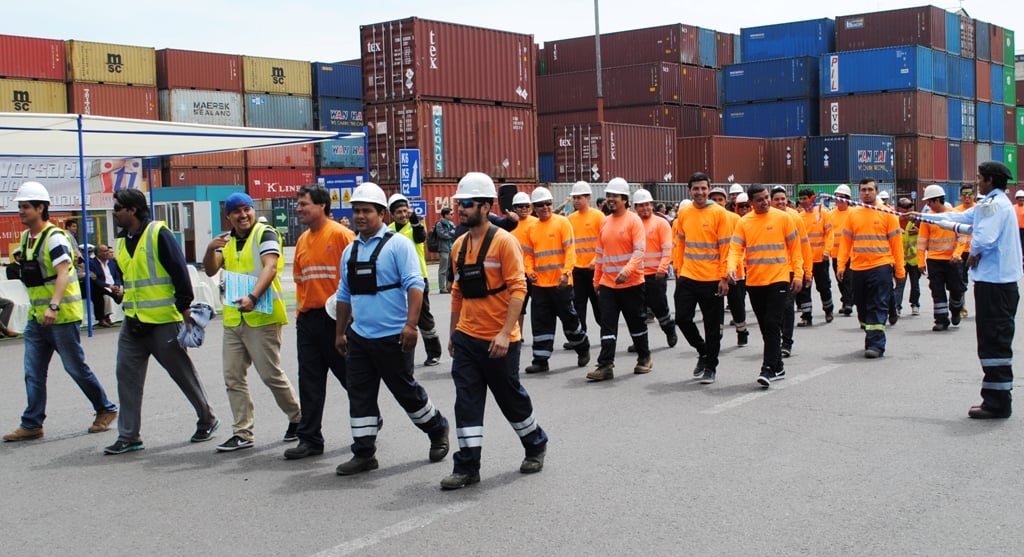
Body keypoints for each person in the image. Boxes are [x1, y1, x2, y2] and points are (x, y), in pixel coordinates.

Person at [333, 183, 450, 475]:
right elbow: (344, 294)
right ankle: (364, 453)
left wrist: (411, 326)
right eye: (356, 210)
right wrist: (339, 332)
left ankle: (437, 428)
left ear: (382, 214)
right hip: (360, 337)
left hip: (394, 336)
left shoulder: (399, 245)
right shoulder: (350, 251)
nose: (360, 216)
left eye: (366, 211)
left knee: (405, 393)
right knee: (359, 394)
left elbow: (416, 284)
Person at [441, 172, 547, 490]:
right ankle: (467, 466)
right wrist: (452, 334)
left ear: (486, 206)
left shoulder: (505, 242)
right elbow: (457, 293)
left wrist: (504, 333)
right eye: (460, 203)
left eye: (468, 203)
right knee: (467, 401)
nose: (461, 208)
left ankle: (535, 443)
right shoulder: (459, 246)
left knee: (509, 398)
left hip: (500, 340)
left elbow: (518, 289)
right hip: (468, 338)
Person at [104, 188, 218, 454]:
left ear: (132, 209)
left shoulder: (158, 233)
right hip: (133, 322)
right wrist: (120, 289)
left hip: (163, 321)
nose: (115, 212)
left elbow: (179, 271)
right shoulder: (121, 241)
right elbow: (126, 275)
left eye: (119, 207)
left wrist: (185, 308)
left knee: (182, 374)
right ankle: (129, 436)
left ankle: (207, 418)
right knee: (126, 377)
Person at [2, 182, 118, 442]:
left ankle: (106, 408)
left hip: (61, 315)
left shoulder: (54, 237)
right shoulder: (26, 238)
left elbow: (64, 272)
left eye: (25, 207)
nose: (20, 211)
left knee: (75, 367)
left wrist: (54, 305)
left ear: (40, 208)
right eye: (20, 206)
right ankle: (32, 422)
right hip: (37, 317)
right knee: (33, 371)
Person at [917, 161, 1021, 419]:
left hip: (995, 284)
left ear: (989, 180)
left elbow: (983, 238)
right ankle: (996, 397)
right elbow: (960, 219)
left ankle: (997, 402)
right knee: (994, 340)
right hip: (999, 283)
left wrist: (973, 253)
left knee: (993, 342)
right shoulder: (993, 204)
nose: (976, 181)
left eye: (979, 177)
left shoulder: (992, 205)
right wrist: (921, 216)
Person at [202, 192, 301, 453]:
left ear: (253, 211)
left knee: (270, 375)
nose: (243, 215)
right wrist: (210, 249)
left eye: (247, 209)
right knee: (233, 376)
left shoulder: (265, 234)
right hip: (234, 318)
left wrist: (253, 296)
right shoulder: (228, 241)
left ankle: (298, 417)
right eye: (237, 212)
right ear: (229, 217)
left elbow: (270, 266)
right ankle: (242, 432)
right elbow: (211, 270)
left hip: (262, 315)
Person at [285, 184, 355, 460]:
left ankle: (368, 418)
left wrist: (348, 321)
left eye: (304, 204)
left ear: (322, 206)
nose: (299, 208)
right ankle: (310, 438)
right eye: (298, 204)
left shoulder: (341, 235)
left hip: (337, 319)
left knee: (350, 376)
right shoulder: (303, 240)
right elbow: (301, 281)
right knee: (310, 381)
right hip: (310, 320)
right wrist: (301, 314)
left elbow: (355, 278)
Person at [727, 184, 803, 388]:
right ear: (751, 203)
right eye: (759, 199)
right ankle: (778, 366)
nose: (765, 202)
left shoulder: (783, 218)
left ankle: (767, 368)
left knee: (771, 323)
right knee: (765, 326)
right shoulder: (744, 222)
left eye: (766, 197)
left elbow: (796, 249)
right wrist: (731, 267)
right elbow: (735, 248)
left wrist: (799, 273)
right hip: (755, 281)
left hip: (779, 278)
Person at [587, 177, 650, 381]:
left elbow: (640, 251)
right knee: (607, 325)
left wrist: (627, 270)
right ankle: (605, 365)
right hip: (608, 284)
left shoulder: (634, 221)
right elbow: (600, 254)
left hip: (631, 283)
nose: (610, 199)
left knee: (636, 323)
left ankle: (644, 357)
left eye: (614, 196)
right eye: (608, 196)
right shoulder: (605, 223)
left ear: (625, 199)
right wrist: (597, 281)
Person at [521, 187, 590, 373]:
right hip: (540, 285)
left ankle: (583, 348)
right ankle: (540, 360)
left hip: (561, 284)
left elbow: (570, 251)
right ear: (534, 207)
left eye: (548, 204)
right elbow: (528, 256)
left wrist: (566, 273)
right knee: (541, 322)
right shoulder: (532, 229)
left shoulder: (562, 223)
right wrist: (529, 271)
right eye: (541, 205)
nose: (545, 207)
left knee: (569, 320)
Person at [836, 179, 906, 359]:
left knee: (877, 304)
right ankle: (875, 330)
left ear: (876, 191)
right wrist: (841, 264)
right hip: (858, 267)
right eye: (863, 190)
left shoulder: (887, 213)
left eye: (870, 190)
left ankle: (876, 344)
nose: (866, 193)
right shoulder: (853, 215)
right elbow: (845, 242)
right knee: (862, 306)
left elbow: (896, 244)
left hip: (881, 266)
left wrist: (900, 270)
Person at [671, 174, 730, 384]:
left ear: (709, 189)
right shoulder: (684, 213)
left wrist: (724, 278)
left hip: (712, 279)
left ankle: (711, 367)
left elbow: (726, 248)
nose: (700, 193)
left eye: (704, 188)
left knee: (712, 327)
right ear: (689, 191)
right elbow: (680, 243)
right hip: (687, 276)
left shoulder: (719, 214)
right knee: (682, 319)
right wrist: (678, 269)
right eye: (696, 189)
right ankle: (703, 350)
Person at [388, 194, 443, 367]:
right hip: (397, 280)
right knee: (398, 317)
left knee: (423, 318)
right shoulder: (388, 230)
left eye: (405, 211)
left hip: (418, 278)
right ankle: (401, 353)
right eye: (399, 212)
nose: (403, 215)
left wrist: (414, 220)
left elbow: (420, 237)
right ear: (392, 214)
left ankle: (434, 353)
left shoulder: (415, 227)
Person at [632, 189, 677, 351]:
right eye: (641, 206)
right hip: (636, 275)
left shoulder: (661, 223)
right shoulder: (633, 223)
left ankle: (669, 329)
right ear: (635, 207)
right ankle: (639, 341)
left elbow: (667, 249)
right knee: (637, 312)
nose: (645, 209)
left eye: (647, 205)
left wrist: (662, 268)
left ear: (651, 205)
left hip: (655, 275)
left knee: (660, 308)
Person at [916, 185, 964, 331]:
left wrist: (957, 254)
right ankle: (941, 320)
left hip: (952, 260)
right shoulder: (928, 218)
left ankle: (956, 308)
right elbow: (922, 240)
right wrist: (920, 261)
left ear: (938, 200)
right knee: (937, 290)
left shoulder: (954, 215)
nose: (927, 204)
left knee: (956, 289)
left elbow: (963, 238)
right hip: (934, 260)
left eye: (929, 201)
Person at [771, 186, 811, 358]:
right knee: (773, 310)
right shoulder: (764, 218)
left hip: (789, 270)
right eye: (777, 199)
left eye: (783, 199)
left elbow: (804, 246)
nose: (780, 202)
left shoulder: (795, 217)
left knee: (787, 306)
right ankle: (775, 340)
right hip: (769, 271)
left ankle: (786, 342)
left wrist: (806, 272)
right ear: (771, 201)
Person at [566, 181, 604, 346]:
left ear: (588, 197)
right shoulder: (570, 220)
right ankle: (581, 339)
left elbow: (604, 241)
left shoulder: (598, 217)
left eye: (579, 197)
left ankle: (607, 335)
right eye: (574, 198)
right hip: (577, 270)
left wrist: (596, 260)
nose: (576, 201)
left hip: (594, 270)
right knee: (578, 306)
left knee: (599, 306)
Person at [713, 188, 748, 346]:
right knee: (716, 305)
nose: (717, 203)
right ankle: (717, 333)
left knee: (736, 303)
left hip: (735, 269)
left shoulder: (735, 219)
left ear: (725, 201)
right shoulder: (706, 219)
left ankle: (741, 331)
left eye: (720, 200)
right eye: (714, 200)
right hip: (713, 270)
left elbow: (741, 244)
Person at [795, 188, 835, 326]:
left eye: (805, 198)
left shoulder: (823, 213)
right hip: (805, 260)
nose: (802, 202)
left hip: (820, 259)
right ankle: (806, 316)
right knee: (805, 288)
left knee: (823, 286)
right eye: (800, 199)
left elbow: (830, 234)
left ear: (812, 198)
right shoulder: (799, 217)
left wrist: (827, 251)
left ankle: (828, 310)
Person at [509, 192, 537, 334]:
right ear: (514, 208)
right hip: (518, 271)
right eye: (520, 206)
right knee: (519, 304)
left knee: (541, 306)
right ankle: (518, 335)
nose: (524, 209)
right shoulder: (510, 225)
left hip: (535, 271)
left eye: (526, 206)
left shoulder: (536, 222)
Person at [893, 197, 922, 317]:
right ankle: (896, 307)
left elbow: (928, 233)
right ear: (899, 209)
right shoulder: (894, 221)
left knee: (915, 285)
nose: (910, 209)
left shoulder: (918, 220)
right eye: (906, 207)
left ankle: (915, 304)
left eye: (911, 206)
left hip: (914, 259)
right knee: (900, 285)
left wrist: (919, 231)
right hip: (901, 259)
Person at [830, 184, 855, 316]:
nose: (838, 200)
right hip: (835, 254)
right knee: (840, 279)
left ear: (848, 199)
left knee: (848, 279)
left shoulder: (853, 213)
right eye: (837, 197)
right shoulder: (831, 215)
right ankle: (846, 300)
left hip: (851, 253)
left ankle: (848, 303)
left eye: (842, 197)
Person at [953, 185, 977, 318]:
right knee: (960, 282)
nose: (967, 197)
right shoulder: (956, 212)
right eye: (964, 194)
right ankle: (961, 307)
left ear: (974, 195)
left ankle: (981, 307)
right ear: (960, 196)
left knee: (979, 281)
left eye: (969, 194)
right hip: (960, 252)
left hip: (976, 252)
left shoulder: (979, 210)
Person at [86, 244, 123, 327]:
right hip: (100, 286)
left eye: (108, 251)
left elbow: (117, 275)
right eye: (105, 251)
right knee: (103, 295)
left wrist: (116, 285)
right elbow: (95, 279)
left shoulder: (112, 262)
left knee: (123, 292)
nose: (107, 253)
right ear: (98, 253)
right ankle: (103, 318)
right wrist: (109, 286)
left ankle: (118, 298)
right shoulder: (91, 263)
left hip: (114, 285)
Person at [434, 207, 456, 293]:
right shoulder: (439, 224)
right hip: (444, 248)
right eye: (451, 214)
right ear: (446, 215)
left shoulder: (451, 223)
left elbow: (455, 233)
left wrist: (451, 234)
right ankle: (442, 288)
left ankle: (448, 287)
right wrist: (451, 234)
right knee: (443, 269)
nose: (452, 215)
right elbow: (442, 234)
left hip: (451, 247)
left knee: (449, 269)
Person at [1015, 190, 1024, 262]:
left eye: (1022, 198)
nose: (1021, 199)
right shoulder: (1013, 207)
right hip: (1016, 231)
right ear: (1016, 199)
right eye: (1019, 198)